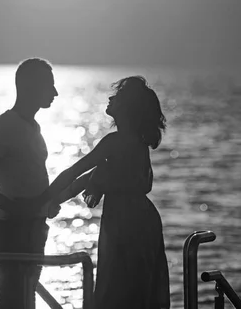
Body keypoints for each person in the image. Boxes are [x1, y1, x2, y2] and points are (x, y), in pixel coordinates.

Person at [30, 76, 171, 309]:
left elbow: (73, 173)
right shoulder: (136, 143)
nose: (110, 98)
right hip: (139, 219)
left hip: (126, 224)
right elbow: (85, 181)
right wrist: (53, 200)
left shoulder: (115, 142)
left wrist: (41, 201)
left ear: (126, 108)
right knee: (136, 291)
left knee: (118, 290)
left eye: (117, 96)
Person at [0, 58, 60, 309]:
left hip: (33, 226)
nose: (55, 92)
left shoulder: (32, 126)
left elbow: (27, 175)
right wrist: (12, 206)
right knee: (14, 300)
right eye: (49, 85)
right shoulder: (5, 127)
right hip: (15, 229)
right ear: (30, 87)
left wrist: (44, 202)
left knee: (25, 299)